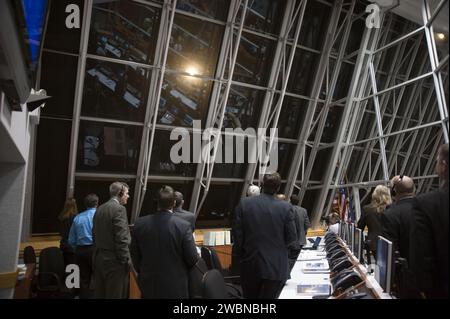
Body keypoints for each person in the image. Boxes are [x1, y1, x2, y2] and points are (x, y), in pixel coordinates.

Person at [233, 172, 298, 299]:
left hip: (250, 264)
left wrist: (241, 258)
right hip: (276, 267)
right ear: (278, 188)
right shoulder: (286, 207)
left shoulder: (244, 204)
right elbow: (292, 238)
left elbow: (238, 236)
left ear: (262, 185)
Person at [130, 186, 199, 298]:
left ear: (157, 202)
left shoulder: (140, 224)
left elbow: (135, 256)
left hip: (148, 284)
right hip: (175, 285)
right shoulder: (183, 226)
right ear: (174, 203)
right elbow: (192, 258)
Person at [409, 144, 449, 299]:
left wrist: (424, 290)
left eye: (437, 161)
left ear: (443, 166)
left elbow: (422, 257)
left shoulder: (426, 204)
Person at [92, 182, 131, 299]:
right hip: (114, 261)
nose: (128, 196)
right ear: (120, 193)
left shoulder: (100, 209)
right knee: (115, 295)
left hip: (99, 258)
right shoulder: (119, 209)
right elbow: (122, 238)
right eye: (127, 193)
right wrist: (125, 260)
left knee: (100, 293)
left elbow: (94, 233)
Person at [68, 193, 99, 299]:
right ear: (97, 204)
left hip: (80, 250)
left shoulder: (77, 218)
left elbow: (71, 240)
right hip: (95, 249)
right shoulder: (99, 216)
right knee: (97, 277)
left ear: (85, 204)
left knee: (83, 279)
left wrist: (76, 248)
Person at [381, 175, 415, 261]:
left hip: (405, 271)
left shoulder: (390, 214)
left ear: (393, 191)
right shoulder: (427, 208)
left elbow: (390, 252)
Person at [357, 185, 392, 259]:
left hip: (374, 243)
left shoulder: (367, 209)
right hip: (391, 243)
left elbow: (359, 227)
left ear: (374, 195)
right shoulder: (392, 208)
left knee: (380, 265)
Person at [288, 194, 311, 271]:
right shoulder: (304, 210)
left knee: (287, 258)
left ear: (290, 200)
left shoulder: (287, 209)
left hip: (289, 240)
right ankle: (288, 273)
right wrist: (303, 233)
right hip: (300, 240)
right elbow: (307, 224)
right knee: (294, 259)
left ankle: (285, 274)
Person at [58, 198, 78, 267]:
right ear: (74, 206)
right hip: (73, 246)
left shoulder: (61, 218)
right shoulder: (76, 218)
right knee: (73, 269)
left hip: (64, 245)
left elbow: (61, 233)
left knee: (66, 267)